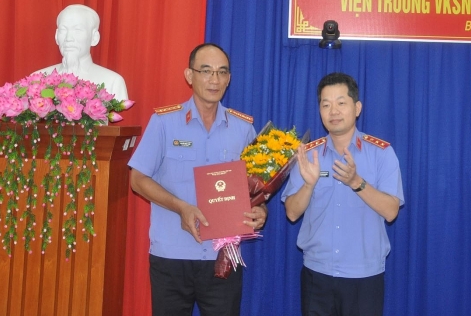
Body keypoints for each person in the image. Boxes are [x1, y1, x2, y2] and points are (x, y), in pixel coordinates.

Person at [128, 43, 267, 316]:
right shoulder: (164, 122)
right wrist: (181, 207)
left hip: (223, 259)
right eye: (206, 71)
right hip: (172, 257)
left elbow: (257, 188)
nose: (214, 80)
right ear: (189, 76)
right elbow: (137, 179)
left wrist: (260, 210)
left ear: (229, 79)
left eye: (221, 72)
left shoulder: (243, 128)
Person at [282, 72, 404, 316]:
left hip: (364, 277)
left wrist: (356, 182)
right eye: (326, 105)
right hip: (317, 275)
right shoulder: (308, 155)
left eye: (341, 103)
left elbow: (391, 212)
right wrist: (308, 184)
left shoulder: (381, 153)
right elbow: (292, 213)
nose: (333, 111)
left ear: (357, 108)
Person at [35, 4, 128, 99]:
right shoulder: (37, 79)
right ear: (56, 36)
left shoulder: (113, 82)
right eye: (63, 30)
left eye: (77, 30)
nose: (68, 38)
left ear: (94, 38)